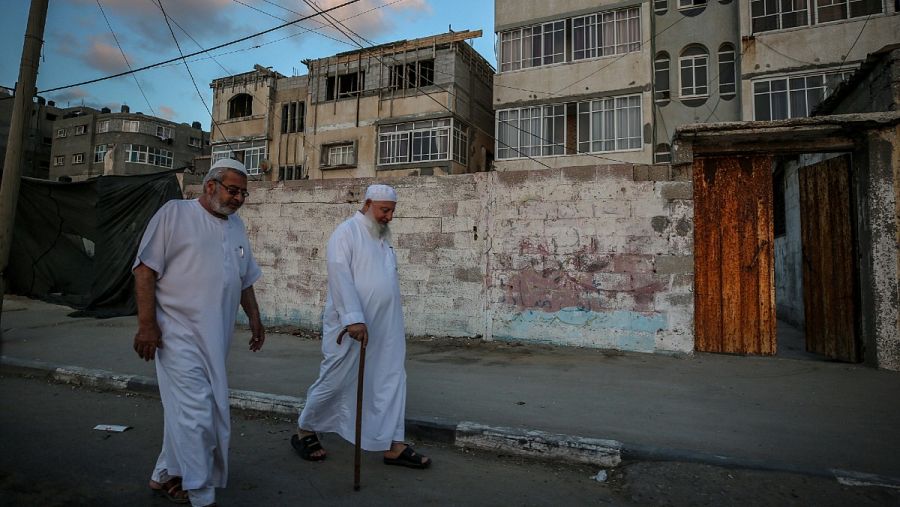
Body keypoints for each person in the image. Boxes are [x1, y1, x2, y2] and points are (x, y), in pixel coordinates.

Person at [132, 158, 265, 506]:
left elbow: (244, 279)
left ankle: (166, 473)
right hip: (175, 335)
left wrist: (254, 318)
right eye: (232, 190)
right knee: (198, 410)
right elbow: (145, 271)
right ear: (210, 185)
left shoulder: (236, 227)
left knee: (184, 408)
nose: (238, 198)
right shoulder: (174, 214)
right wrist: (147, 325)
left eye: (243, 193)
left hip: (215, 339)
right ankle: (199, 488)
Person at [292, 184, 430, 469]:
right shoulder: (347, 232)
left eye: (392, 211)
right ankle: (305, 428)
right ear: (367, 204)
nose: (389, 216)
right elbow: (339, 275)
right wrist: (353, 318)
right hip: (351, 325)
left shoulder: (382, 238)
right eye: (384, 210)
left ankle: (394, 443)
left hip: (386, 325)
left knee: (391, 377)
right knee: (336, 377)